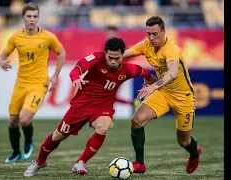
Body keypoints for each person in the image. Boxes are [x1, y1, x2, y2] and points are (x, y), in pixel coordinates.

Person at [23, 37, 157, 177]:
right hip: (81, 105)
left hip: (103, 106)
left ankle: (80, 162)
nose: (113, 61)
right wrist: (76, 79)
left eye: (117, 58)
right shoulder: (96, 58)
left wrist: (151, 87)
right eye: (110, 57)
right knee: (58, 136)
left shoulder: (130, 69)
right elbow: (76, 70)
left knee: (103, 127)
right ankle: (40, 162)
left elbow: (147, 75)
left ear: (122, 55)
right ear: (105, 53)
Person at [123, 16, 201, 174]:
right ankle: (140, 164)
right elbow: (125, 54)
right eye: (148, 34)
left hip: (183, 98)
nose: (151, 38)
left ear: (164, 32)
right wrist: (104, 60)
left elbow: (172, 73)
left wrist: (153, 86)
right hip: (164, 93)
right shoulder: (146, 45)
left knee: (184, 141)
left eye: (155, 34)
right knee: (137, 120)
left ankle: (194, 153)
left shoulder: (171, 49)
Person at [0, 3, 66, 163]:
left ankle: (28, 141)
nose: (32, 20)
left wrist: (55, 76)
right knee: (13, 121)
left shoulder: (47, 37)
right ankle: (15, 152)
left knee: (24, 119)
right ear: (23, 18)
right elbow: (3, 55)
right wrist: (2, 62)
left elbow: (61, 52)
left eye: (35, 16)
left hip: (38, 84)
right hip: (21, 83)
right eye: (29, 16)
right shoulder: (16, 37)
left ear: (38, 18)